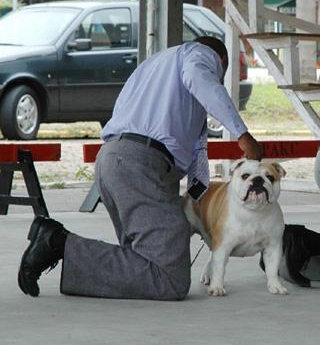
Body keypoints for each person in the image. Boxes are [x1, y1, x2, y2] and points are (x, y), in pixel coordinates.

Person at [18, 36, 262, 300]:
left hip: (116, 159)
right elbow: (199, 77)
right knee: (169, 278)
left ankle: (60, 245)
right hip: (140, 164)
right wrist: (242, 134)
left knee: (143, 259)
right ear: (221, 62)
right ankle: (58, 243)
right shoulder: (199, 55)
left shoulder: (153, 65)